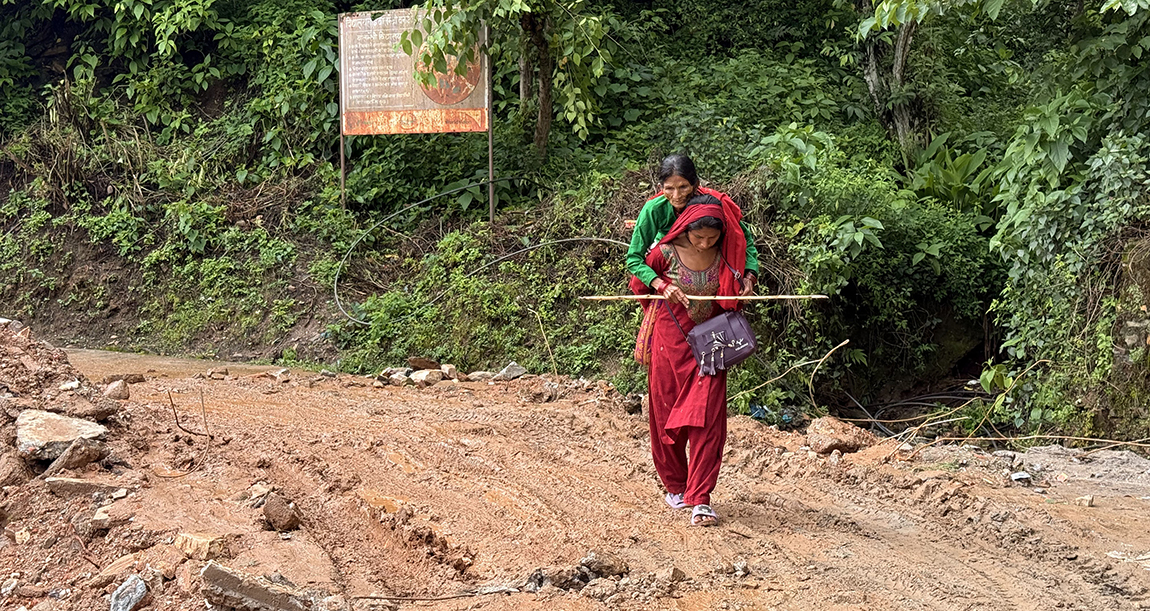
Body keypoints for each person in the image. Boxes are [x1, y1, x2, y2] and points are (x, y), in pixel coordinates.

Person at [628, 199, 748, 527]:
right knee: (665, 416)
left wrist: (746, 281)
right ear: (686, 230)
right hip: (668, 342)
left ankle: (701, 498)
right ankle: (676, 486)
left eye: (712, 238)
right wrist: (662, 286)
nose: (705, 243)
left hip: (711, 343)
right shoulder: (663, 253)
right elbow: (639, 283)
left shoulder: (727, 255)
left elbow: (741, 274)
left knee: (709, 420)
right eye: (699, 238)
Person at [625, 154, 760, 303]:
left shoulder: (713, 204)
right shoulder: (654, 210)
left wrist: (749, 275)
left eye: (683, 187)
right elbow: (633, 258)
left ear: (695, 184)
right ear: (660, 187)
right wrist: (661, 284)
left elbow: (742, 238)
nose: (677, 196)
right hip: (671, 264)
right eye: (669, 188)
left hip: (712, 265)